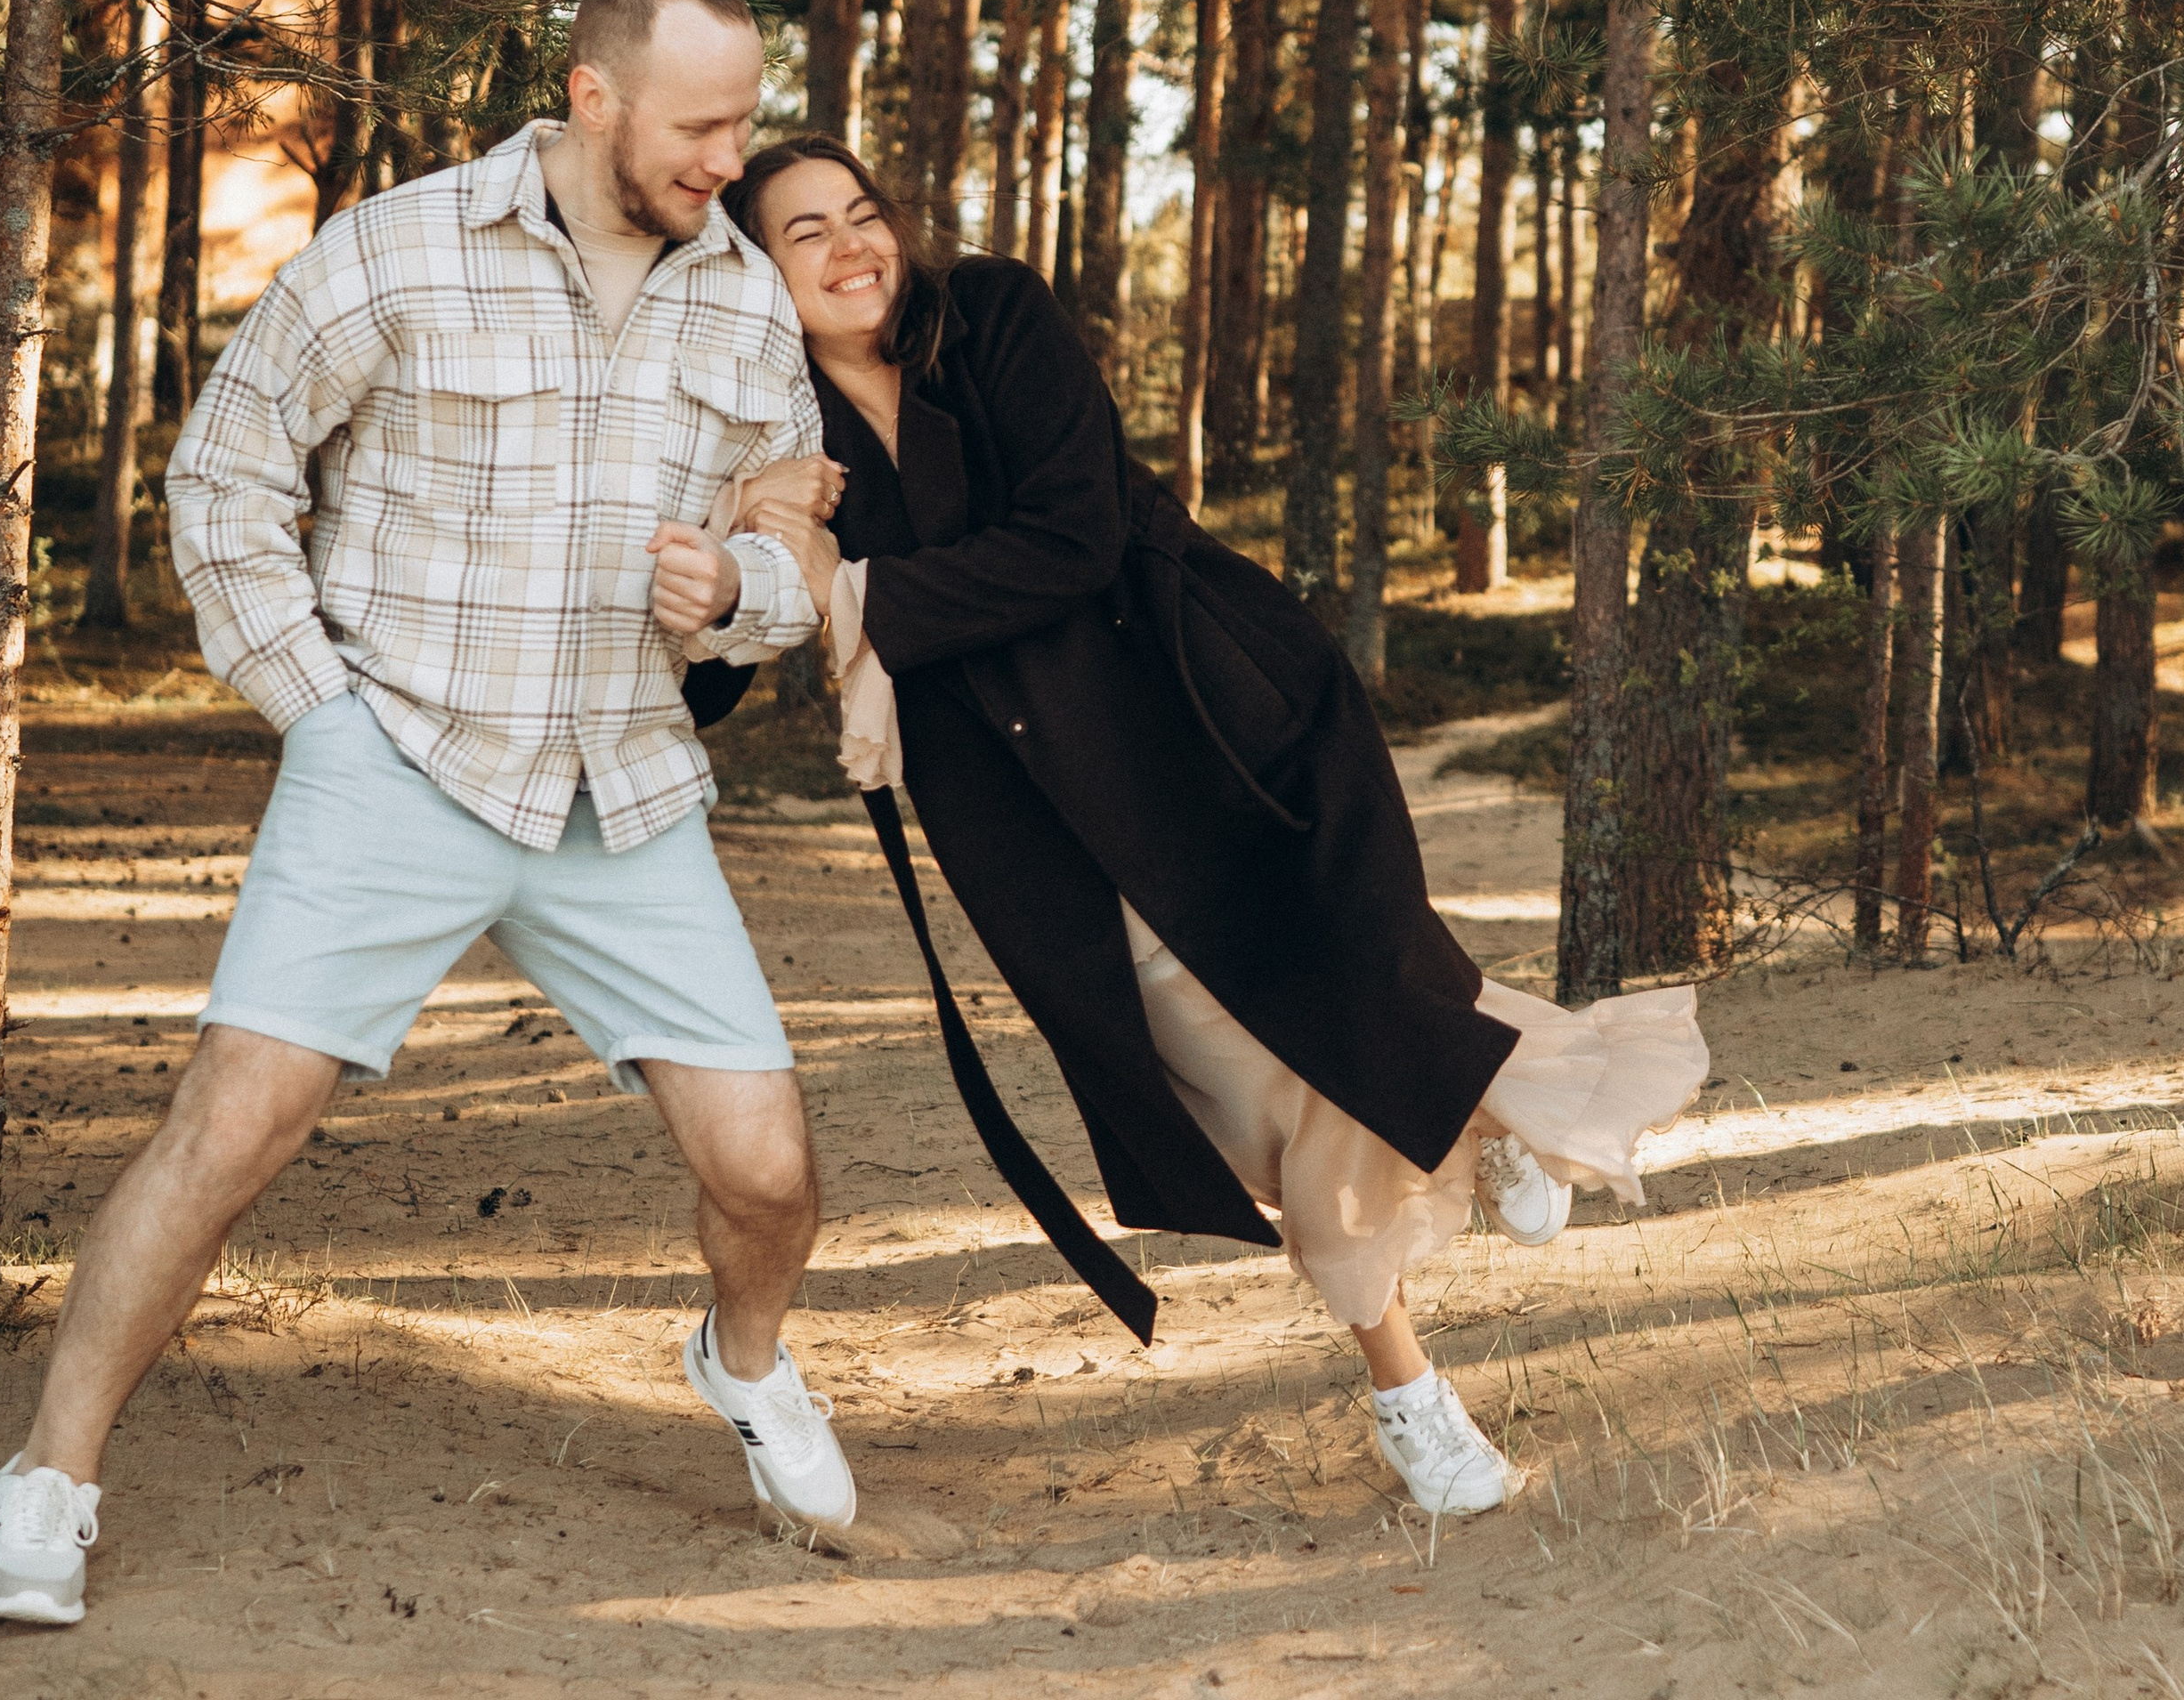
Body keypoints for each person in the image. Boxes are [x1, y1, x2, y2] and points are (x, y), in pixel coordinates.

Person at [0, 0, 859, 1632]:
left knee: (766, 1172)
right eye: (699, 127)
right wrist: (319, 715)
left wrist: (736, 589)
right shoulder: (398, 247)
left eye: (744, 124)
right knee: (233, 1125)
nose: (729, 160)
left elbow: (791, 550)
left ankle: (745, 1362)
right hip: (401, 752)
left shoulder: (744, 296)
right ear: (593, 96)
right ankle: (48, 1481)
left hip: (622, 784)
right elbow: (226, 472)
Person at [706, 136, 1708, 1527]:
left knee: (1342, 977)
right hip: (1032, 819)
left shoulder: (990, 312)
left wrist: (856, 591)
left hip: (1200, 715)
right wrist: (742, 539)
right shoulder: (771, 429)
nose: (849, 245)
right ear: (755, 270)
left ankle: (1413, 1373)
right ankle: (1472, 1112)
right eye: (804, 231)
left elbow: (1073, 534)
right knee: (1246, 1091)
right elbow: (719, 664)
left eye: (862, 211)